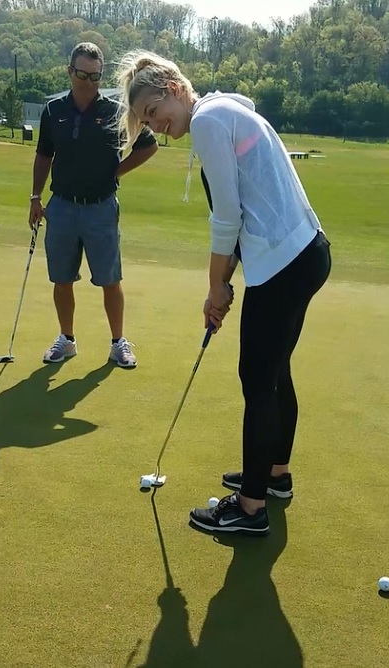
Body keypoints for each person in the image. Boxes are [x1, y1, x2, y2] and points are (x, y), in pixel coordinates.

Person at [116, 51, 333, 535]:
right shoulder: (225, 111)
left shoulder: (210, 121)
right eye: (147, 121)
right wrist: (224, 281)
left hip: (284, 262)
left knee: (257, 379)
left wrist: (216, 285)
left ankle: (251, 508)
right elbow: (240, 217)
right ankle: (274, 476)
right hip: (305, 253)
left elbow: (227, 218)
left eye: (154, 112)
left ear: (173, 87)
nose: (157, 126)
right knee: (274, 373)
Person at [29, 42, 159, 368]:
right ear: (69, 71)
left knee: (110, 280)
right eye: (82, 75)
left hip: (100, 207)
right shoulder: (53, 110)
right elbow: (44, 155)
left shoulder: (116, 110)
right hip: (61, 206)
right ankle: (67, 340)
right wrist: (35, 197)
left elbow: (148, 146)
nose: (88, 82)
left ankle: (118, 343)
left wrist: (117, 171)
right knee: (61, 278)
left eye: (95, 76)